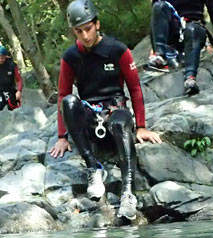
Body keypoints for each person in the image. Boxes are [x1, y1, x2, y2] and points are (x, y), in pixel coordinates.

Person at [48, 0, 163, 221]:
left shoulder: (117, 50)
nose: (85, 36)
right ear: (74, 32)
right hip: (90, 118)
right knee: (69, 102)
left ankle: (128, 193)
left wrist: (141, 127)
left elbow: (135, 88)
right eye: (79, 31)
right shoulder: (71, 57)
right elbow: (63, 94)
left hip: (115, 113)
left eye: (88, 28)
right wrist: (62, 136)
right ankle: (94, 168)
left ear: (97, 24)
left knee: (119, 123)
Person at [146, 0, 213, 96]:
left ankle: (190, 78)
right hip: (173, 32)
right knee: (159, 5)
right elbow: (156, 16)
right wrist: (156, 48)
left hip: (194, 29)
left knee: (192, 29)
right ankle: (160, 58)